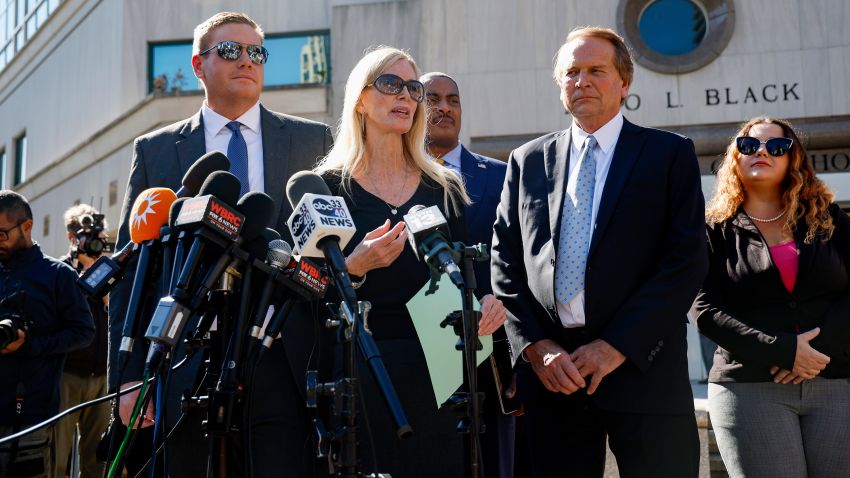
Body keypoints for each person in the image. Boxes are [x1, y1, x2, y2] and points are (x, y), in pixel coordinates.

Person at [110, 11, 332, 477]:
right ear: (198, 65)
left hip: (282, 352)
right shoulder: (156, 151)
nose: (246, 60)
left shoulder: (313, 141)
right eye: (230, 50)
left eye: (256, 52)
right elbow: (132, 269)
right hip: (185, 355)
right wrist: (128, 376)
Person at [490, 26, 707, 477]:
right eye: (571, 72)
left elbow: (685, 261)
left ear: (624, 84)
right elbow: (506, 262)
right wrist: (536, 347)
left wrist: (615, 347)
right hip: (555, 377)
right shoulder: (528, 160)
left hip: (643, 367)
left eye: (595, 71)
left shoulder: (668, 155)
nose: (581, 81)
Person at [314, 47, 470, 476]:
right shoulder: (328, 188)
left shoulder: (445, 186)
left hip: (440, 365)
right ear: (360, 100)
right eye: (390, 84)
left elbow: (471, 274)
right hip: (362, 366)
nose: (405, 95)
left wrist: (486, 302)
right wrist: (355, 266)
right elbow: (304, 286)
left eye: (412, 88)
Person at [695, 116, 850, 477]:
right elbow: (704, 310)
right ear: (736, 157)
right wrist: (784, 350)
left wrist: (818, 349)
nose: (761, 152)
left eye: (777, 146)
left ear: (793, 159)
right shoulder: (711, 230)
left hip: (837, 381)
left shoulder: (827, 218)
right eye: (749, 145)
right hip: (749, 389)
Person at [421, 71, 515, 478]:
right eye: (433, 98)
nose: (444, 107)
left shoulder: (500, 174)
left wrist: (504, 302)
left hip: (490, 346)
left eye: (453, 99)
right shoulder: (395, 177)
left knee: (493, 458)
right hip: (420, 347)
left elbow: (521, 256)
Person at [0, 191, 94, 477]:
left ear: (26, 227)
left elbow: (83, 332)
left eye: (1, 234)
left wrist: (31, 345)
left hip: (31, 421)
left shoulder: (58, 275)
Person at [54, 205, 111, 478]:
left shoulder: (109, 271)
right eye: (86, 235)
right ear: (71, 237)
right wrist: (84, 272)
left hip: (102, 375)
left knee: (97, 458)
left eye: (97, 235)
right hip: (67, 374)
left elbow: (116, 313)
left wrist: (101, 276)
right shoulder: (59, 271)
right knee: (57, 456)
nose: (93, 242)